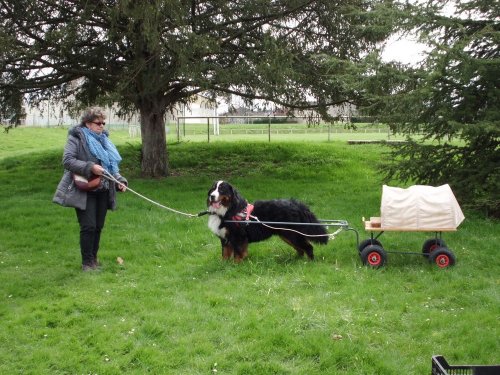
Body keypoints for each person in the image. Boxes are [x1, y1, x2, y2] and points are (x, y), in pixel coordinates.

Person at [53, 107, 127, 271]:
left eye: (103, 123)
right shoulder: (77, 138)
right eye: (97, 123)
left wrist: (119, 181)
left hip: (103, 189)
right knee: (88, 226)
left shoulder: (105, 140)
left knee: (98, 226)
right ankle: (86, 263)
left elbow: (111, 168)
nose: (101, 126)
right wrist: (90, 167)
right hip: (84, 189)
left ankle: (94, 259)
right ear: (87, 123)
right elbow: (67, 161)